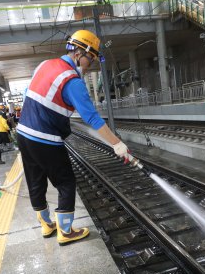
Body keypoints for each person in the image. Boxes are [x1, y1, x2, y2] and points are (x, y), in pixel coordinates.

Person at [16, 29, 131, 244]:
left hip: (23, 134)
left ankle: (46, 224)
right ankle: (66, 231)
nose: (91, 65)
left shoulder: (44, 65)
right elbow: (93, 118)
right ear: (79, 52)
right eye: (91, 58)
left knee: (35, 180)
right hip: (45, 139)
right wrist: (117, 144)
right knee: (66, 182)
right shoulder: (72, 80)